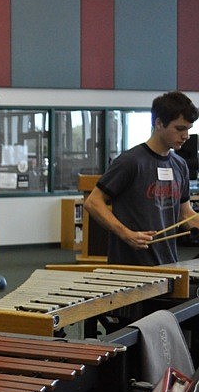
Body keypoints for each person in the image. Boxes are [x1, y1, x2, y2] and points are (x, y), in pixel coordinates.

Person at [84, 90, 199, 266]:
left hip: (168, 264)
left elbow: (185, 214)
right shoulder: (131, 161)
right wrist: (126, 233)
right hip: (130, 265)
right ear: (159, 123)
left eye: (188, 129)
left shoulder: (180, 165)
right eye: (179, 129)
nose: (186, 136)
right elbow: (93, 202)